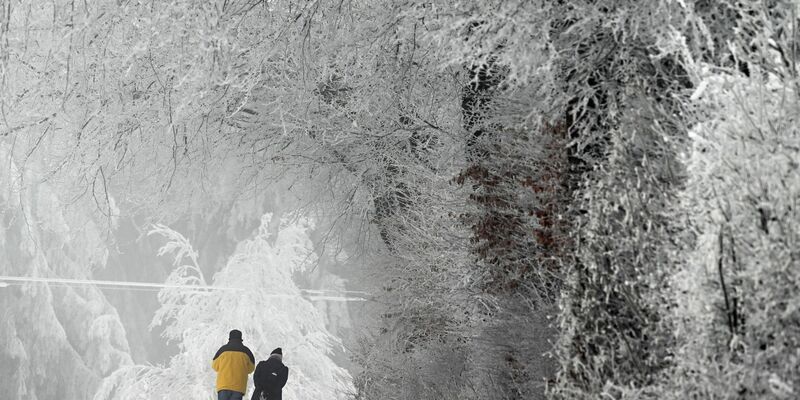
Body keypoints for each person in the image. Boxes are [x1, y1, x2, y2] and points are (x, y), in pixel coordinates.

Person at [212, 329, 256, 400]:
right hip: (238, 387)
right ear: (241, 339)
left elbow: (214, 366)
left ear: (229, 338)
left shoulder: (222, 350)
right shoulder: (246, 351)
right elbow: (251, 369)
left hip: (223, 385)